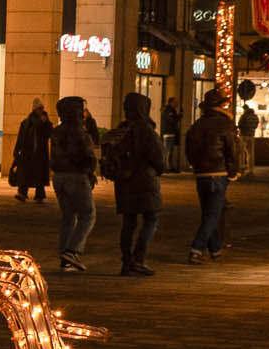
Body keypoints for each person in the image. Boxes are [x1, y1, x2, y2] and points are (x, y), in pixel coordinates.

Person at [103, 91, 168, 275]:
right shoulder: (146, 130)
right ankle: (138, 259)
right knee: (151, 218)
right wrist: (160, 168)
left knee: (128, 222)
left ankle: (126, 261)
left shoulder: (122, 129)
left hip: (124, 183)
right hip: (145, 182)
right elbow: (159, 160)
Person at [183, 88, 246, 264]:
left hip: (201, 174)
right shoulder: (226, 124)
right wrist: (233, 172)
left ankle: (216, 250)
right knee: (213, 214)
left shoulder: (197, 125)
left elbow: (189, 149)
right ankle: (196, 249)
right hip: (219, 173)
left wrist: (196, 166)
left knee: (209, 213)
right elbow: (232, 150)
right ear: (221, 106)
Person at [49, 95, 98, 272]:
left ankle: (65, 258)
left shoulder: (57, 131)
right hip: (76, 176)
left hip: (59, 176)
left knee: (68, 216)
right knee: (88, 214)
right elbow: (87, 157)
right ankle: (72, 250)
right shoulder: (78, 132)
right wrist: (90, 171)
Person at [10, 99, 54, 204]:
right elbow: (21, 137)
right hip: (27, 152)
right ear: (34, 110)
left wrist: (45, 123)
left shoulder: (45, 122)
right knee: (25, 174)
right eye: (39, 109)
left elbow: (49, 134)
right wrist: (17, 150)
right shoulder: (27, 122)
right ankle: (22, 193)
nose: (41, 110)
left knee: (39, 175)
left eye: (42, 108)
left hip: (40, 153)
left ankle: (39, 195)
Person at [161, 96, 184, 174]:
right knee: (168, 151)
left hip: (170, 133)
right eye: (175, 102)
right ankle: (166, 167)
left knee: (169, 151)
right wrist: (179, 116)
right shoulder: (168, 111)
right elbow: (172, 120)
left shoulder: (170, 110)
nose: (177, 104)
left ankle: (169, 167)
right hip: (168, 133)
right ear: (171, 103)